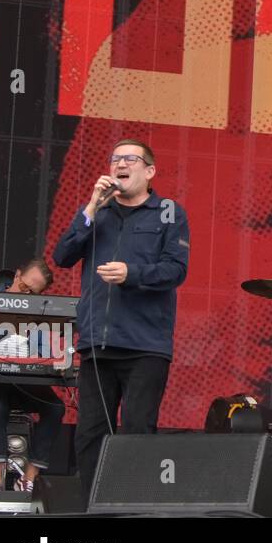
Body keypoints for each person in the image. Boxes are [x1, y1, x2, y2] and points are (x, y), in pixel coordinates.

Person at [52, 139, 190, 501]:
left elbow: (176, 270)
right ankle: (94, 509)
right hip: (97, 342)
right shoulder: (99, 213)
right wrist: (92, 208)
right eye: (115, 159)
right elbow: (62, 256)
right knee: (89, 434)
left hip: (145, 344)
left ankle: (130, 506)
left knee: (136, 432)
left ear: (149, 171)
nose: (120, 165)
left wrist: (133, 273)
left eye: (130, 159)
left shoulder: (168, 212)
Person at [0, 261, 67, 494]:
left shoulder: (41, 311)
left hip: (24, 381)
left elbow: (45, 352)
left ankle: (28, 478)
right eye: (23, 286)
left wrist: (52, 356)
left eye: (32, 293)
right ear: (17, 275)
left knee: (55, 408)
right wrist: (11, 330)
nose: (25, 294)